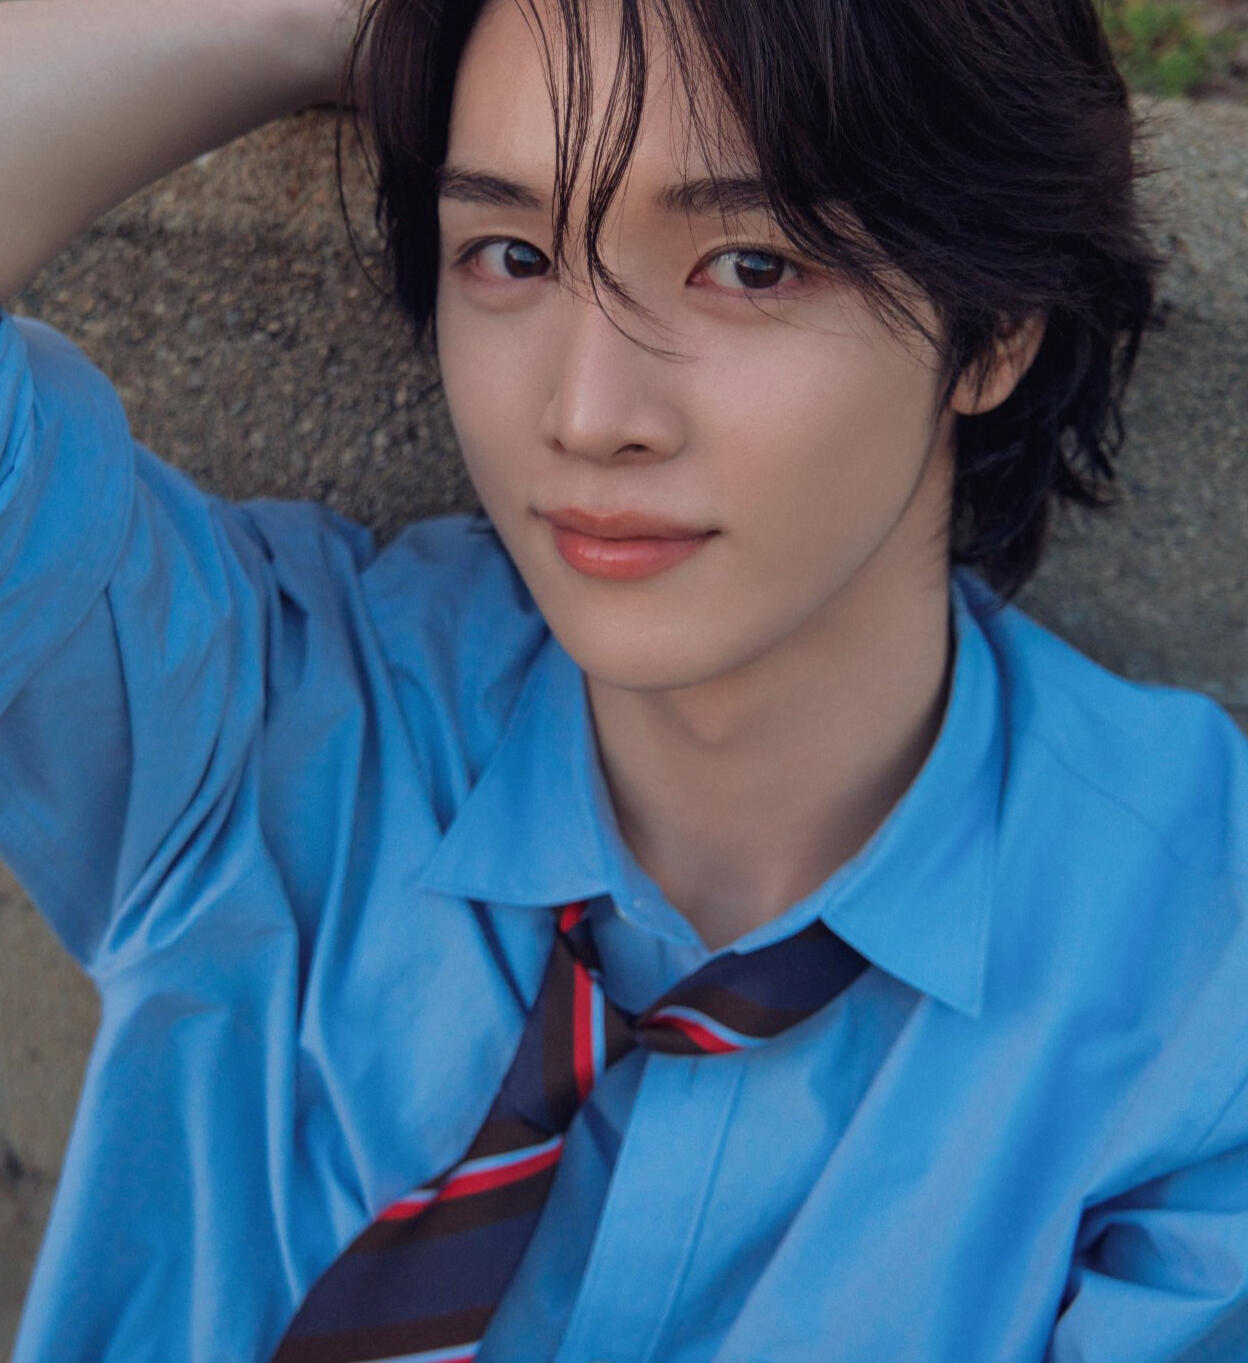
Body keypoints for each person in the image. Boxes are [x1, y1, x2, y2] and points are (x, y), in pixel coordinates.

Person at [1, 0, 1245, 1359]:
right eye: (512, 254)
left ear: (997, 322)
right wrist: (333, 19)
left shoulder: (1193, 981)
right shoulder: (267, 716)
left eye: (753, 267)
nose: (589, 414)